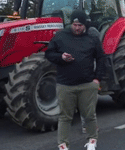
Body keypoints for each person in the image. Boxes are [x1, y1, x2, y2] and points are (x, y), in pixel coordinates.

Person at [45, 10, 105, 150]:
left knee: (89, 115)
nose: (77, 28)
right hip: (65, 85)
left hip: (87, 84)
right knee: (65, 117)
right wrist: (61, 57)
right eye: (75, 24)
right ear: (71, 23)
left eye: (80, 25)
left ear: (85, 25)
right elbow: (49, 53)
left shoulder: (92, 38)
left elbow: (101, 58)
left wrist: (97, 79)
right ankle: (63, 144)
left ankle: (92, 141)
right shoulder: (60, 36)